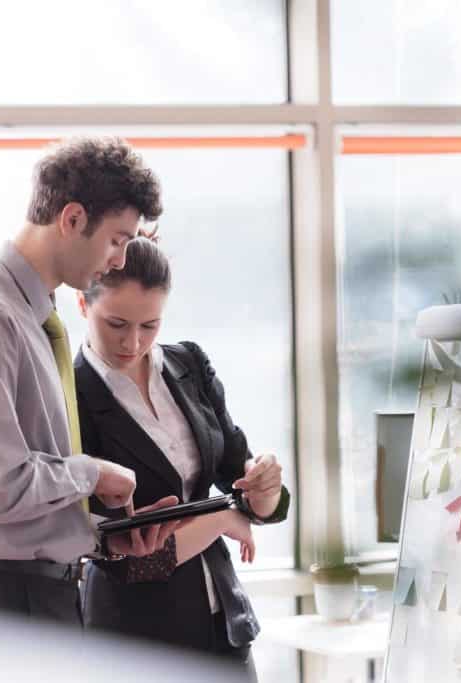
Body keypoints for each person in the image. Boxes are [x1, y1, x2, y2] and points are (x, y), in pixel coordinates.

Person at [0, 137, 183, 680]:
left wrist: (96, 528)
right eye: (117, 240)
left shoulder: (33, 318)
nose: (121, 259)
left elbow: (19, 485)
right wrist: (91, 474)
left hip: (37, 597)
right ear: (73, 218)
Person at [74, 238, 290, 680]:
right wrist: (222, 522)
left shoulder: (188, 364)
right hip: (136, 643)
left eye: (150, 325)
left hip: (224, 626)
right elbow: (124, 557)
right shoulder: (70, 397)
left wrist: (264, 488)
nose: (133, 342)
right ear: (82, 303)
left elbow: (242, 484)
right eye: (115, 323)